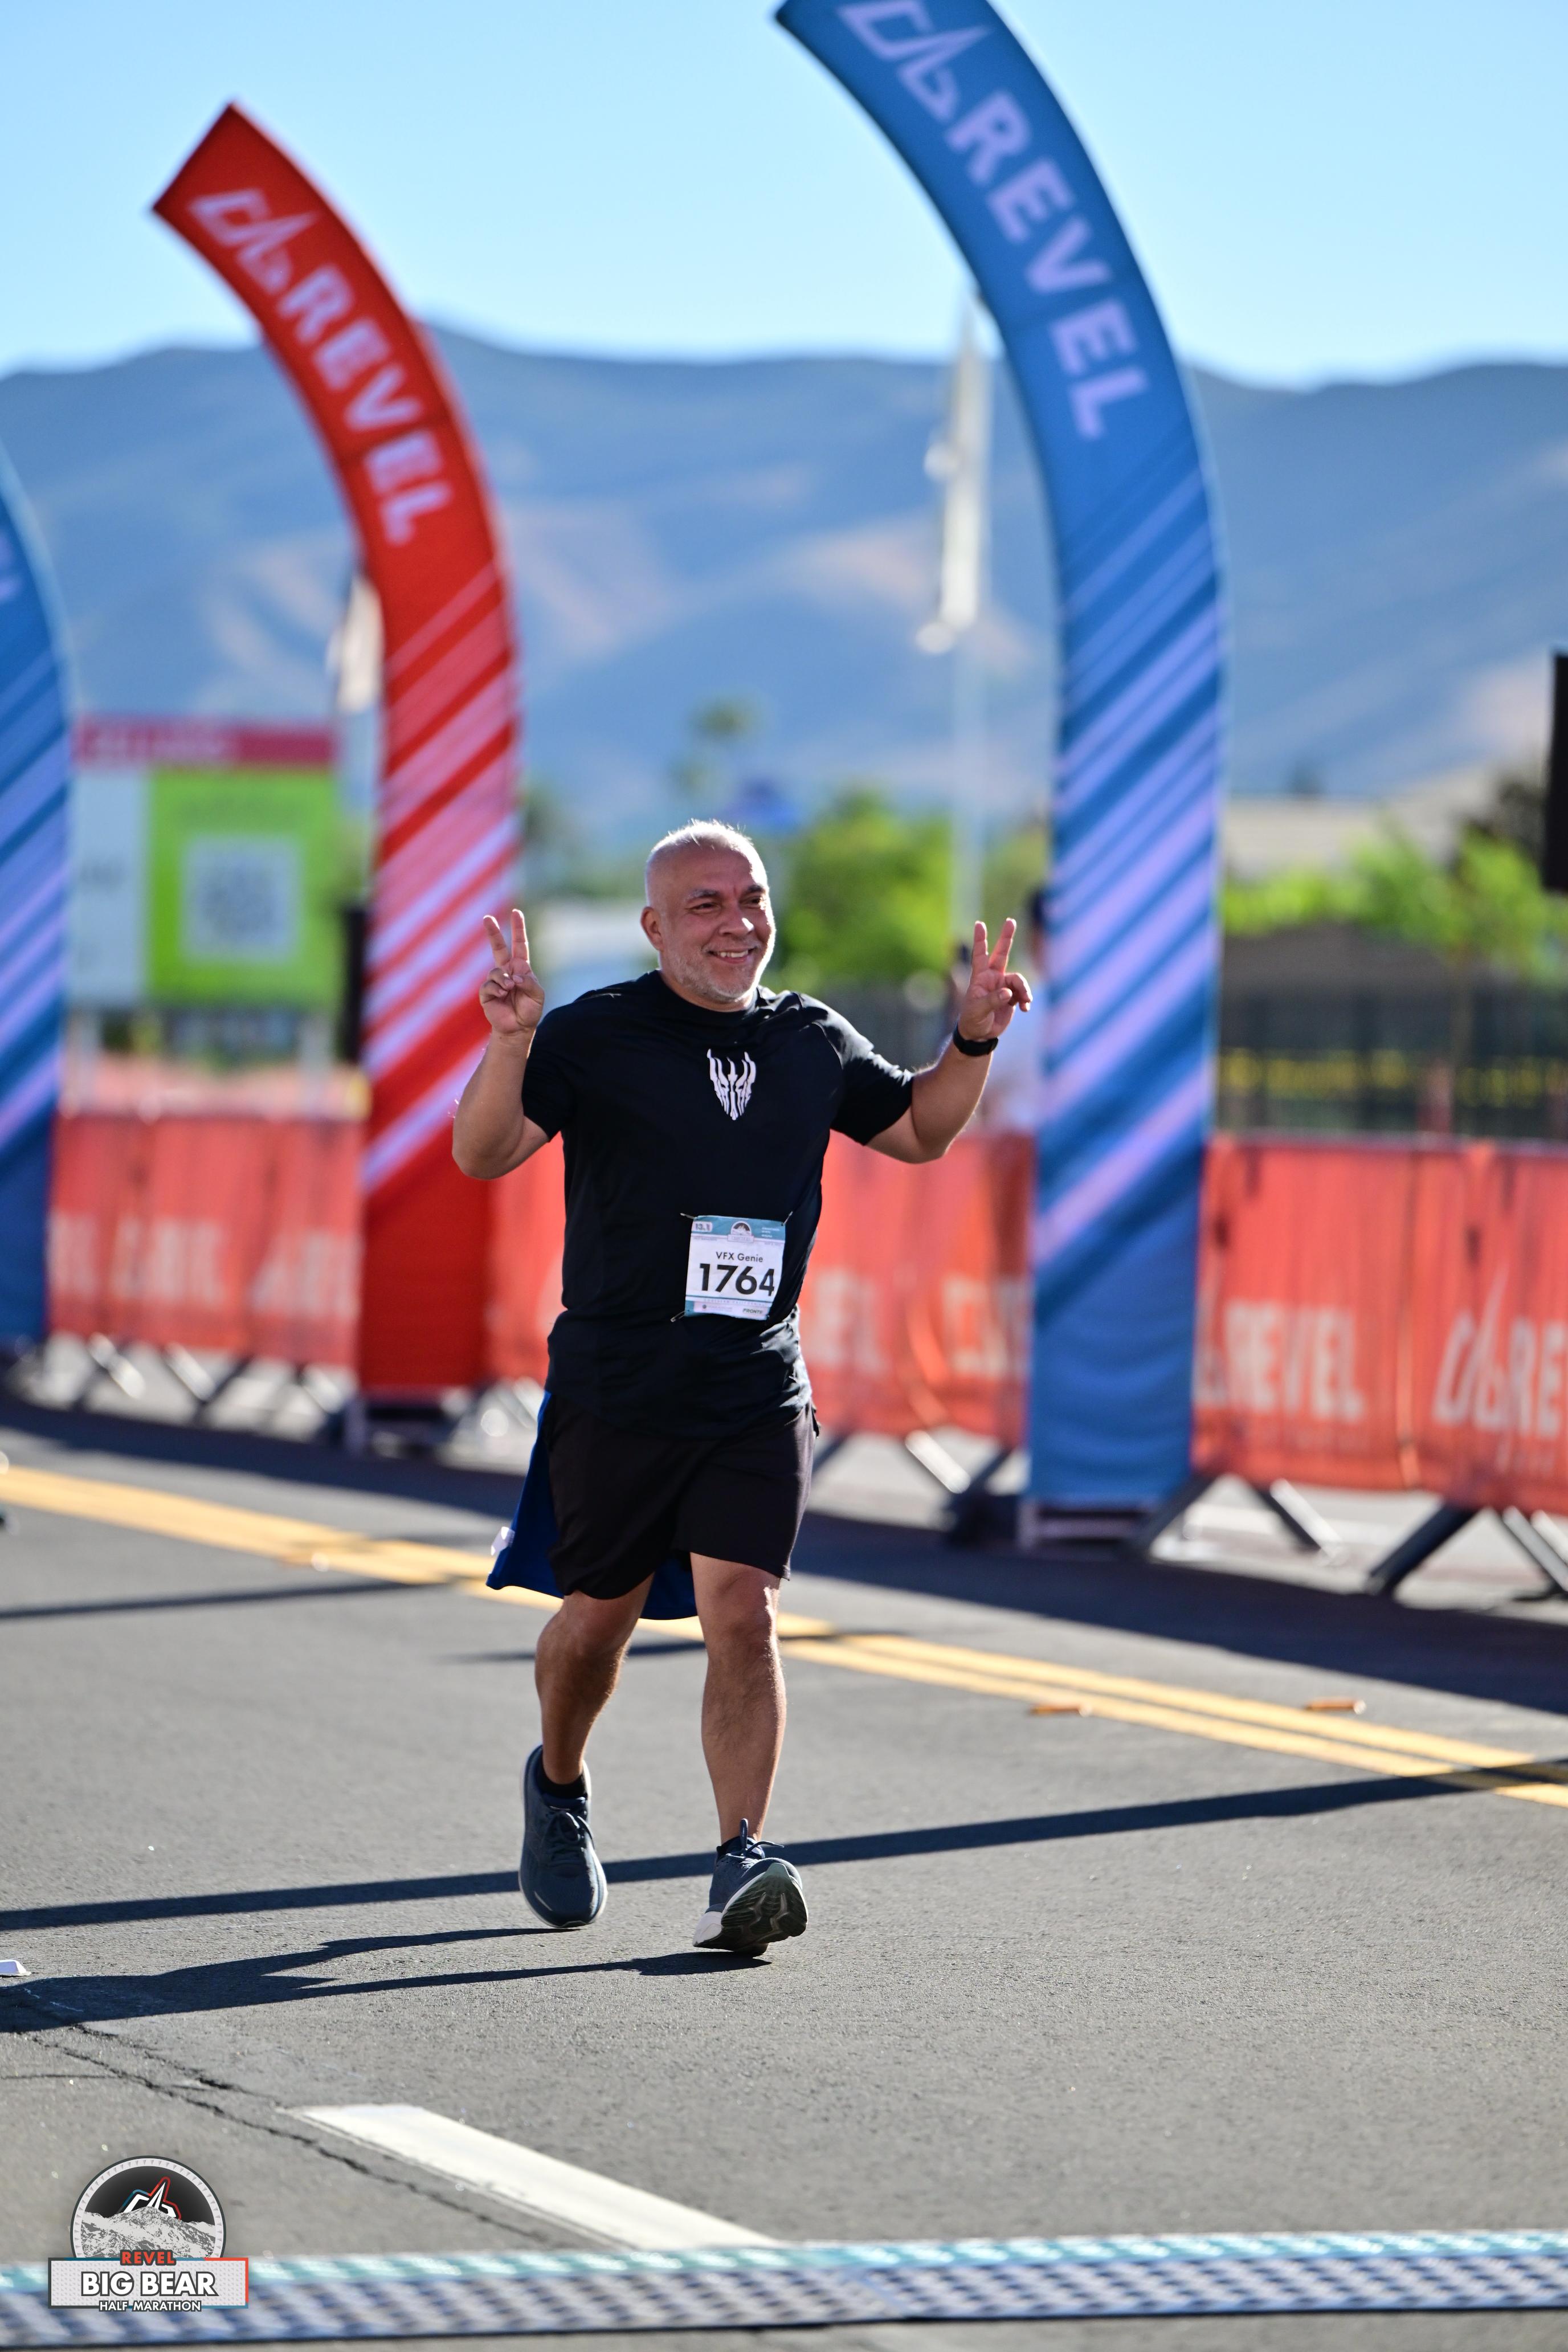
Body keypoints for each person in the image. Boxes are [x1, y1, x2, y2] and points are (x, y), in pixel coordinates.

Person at [452, 821, 1030, 1955]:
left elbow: (919, 1129)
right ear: (654, 926)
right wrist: (511, 1044)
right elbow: (485, 1151)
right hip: (619, 1382)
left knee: (744, 1613)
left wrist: (971, 1040)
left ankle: (742, 1857)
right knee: (598, 1619)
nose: (737, 923)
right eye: (706, 904)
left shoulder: (808, 1038)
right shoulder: (595, 1032)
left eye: (751, 898)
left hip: (754, 1382)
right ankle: (558, 1782)